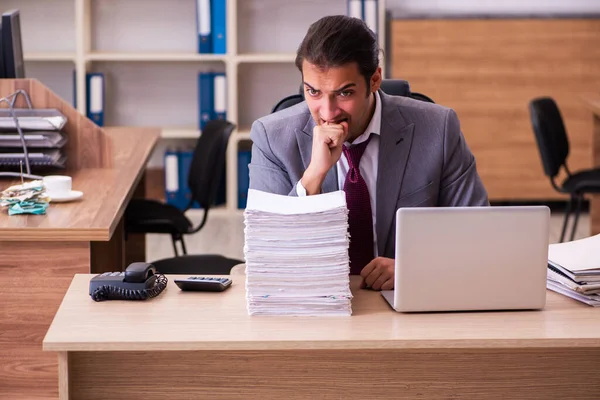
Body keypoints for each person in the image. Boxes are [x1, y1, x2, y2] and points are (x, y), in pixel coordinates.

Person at [248, 15, 489, 290]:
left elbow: (477, 234)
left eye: (344, 93)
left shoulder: (438, 129)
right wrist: (313, 175)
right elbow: (268, 253)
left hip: (405, 301)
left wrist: (417, 268)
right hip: (316, 303)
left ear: (375, 79)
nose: (327, 113)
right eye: (313, 92)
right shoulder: (272, 138)